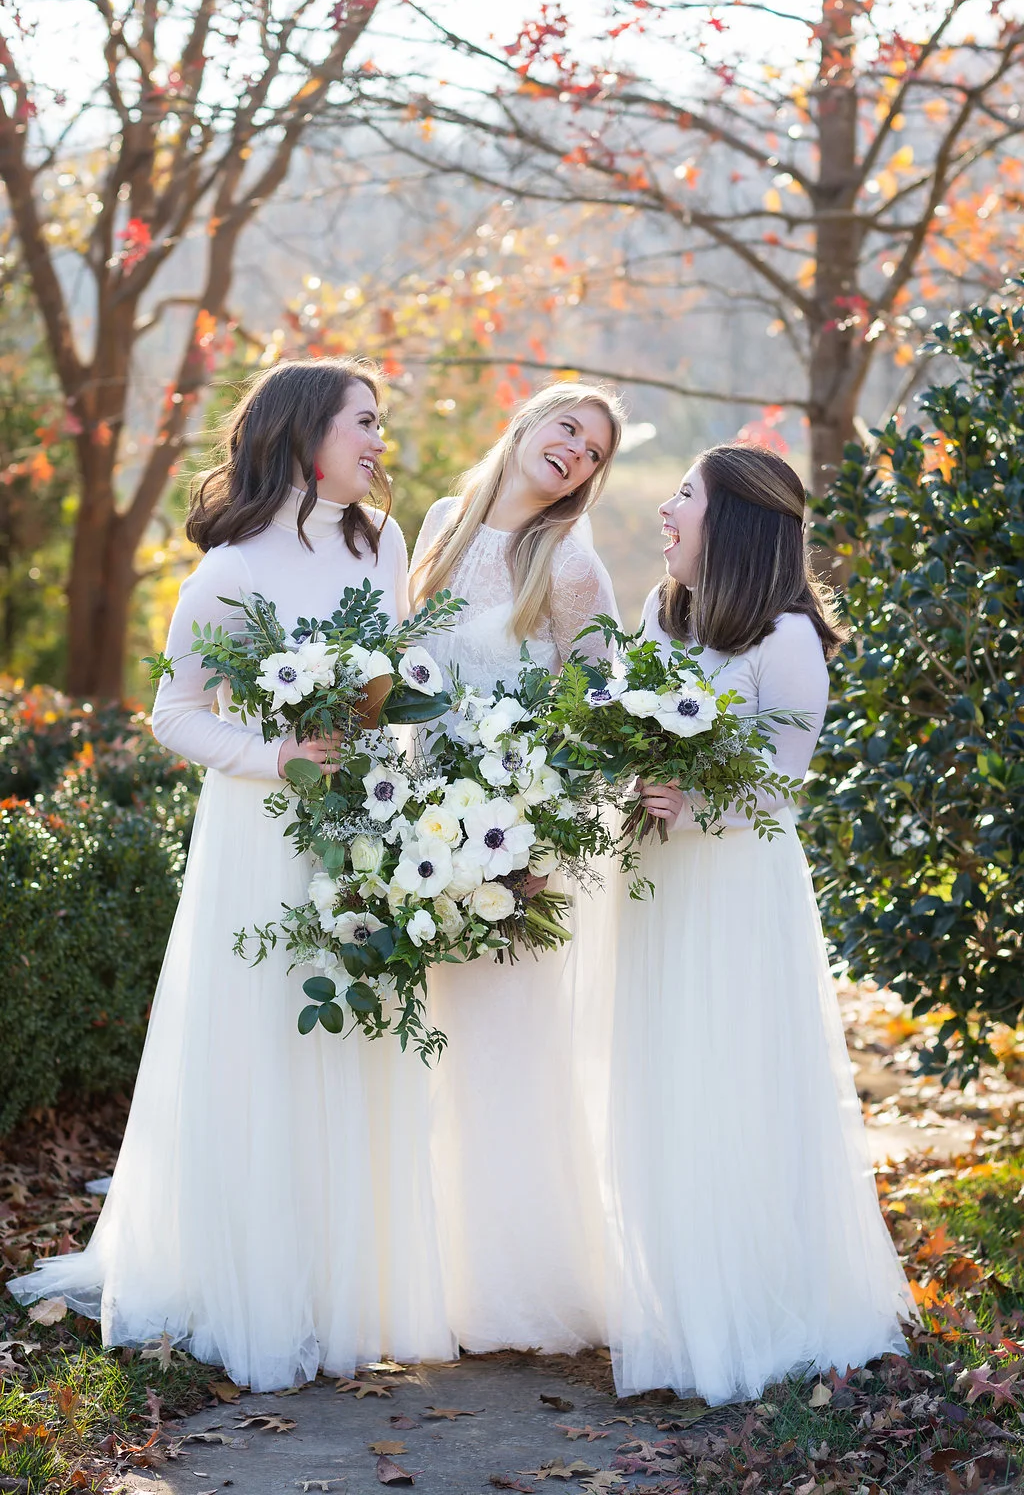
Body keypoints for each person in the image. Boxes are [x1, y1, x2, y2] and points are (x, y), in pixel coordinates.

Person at [9, 359, 454, 1390]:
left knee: (357, 1039)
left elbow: (391, 676)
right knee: (267, 1042)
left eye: (378, 425)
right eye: (364, 423)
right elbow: (174, 716)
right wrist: (280, 759)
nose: (378, 443)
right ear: (304, 435)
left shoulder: (379, 541)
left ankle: (350, 1291)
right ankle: (253, 1283)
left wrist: (397, 768)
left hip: (364, 828)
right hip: (264, 835)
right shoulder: (228, 572)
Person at [607, 443, 915, 1405]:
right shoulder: (664, 618)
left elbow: (782, 781)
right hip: (662, 888)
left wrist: (694, 806)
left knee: (732, 1079)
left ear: (734, 519)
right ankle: (677, 1301)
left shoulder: (783, 638)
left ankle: (754, 1308)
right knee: (665, 1082)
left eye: (685, 495)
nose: (666, 509)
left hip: (737, 890)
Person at [409, 381, 624, 1354]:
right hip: (417, 839)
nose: (575, 451)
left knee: (505, 1060)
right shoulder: (444, 525)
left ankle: (516, 1296)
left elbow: (598, 719)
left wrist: (542, 849)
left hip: (517, 857)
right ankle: (426, 1283)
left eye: (593, 451)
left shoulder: (570, 566)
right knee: (428, 1062)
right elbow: (402, 673)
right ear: (526, 424)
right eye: (567, 428)